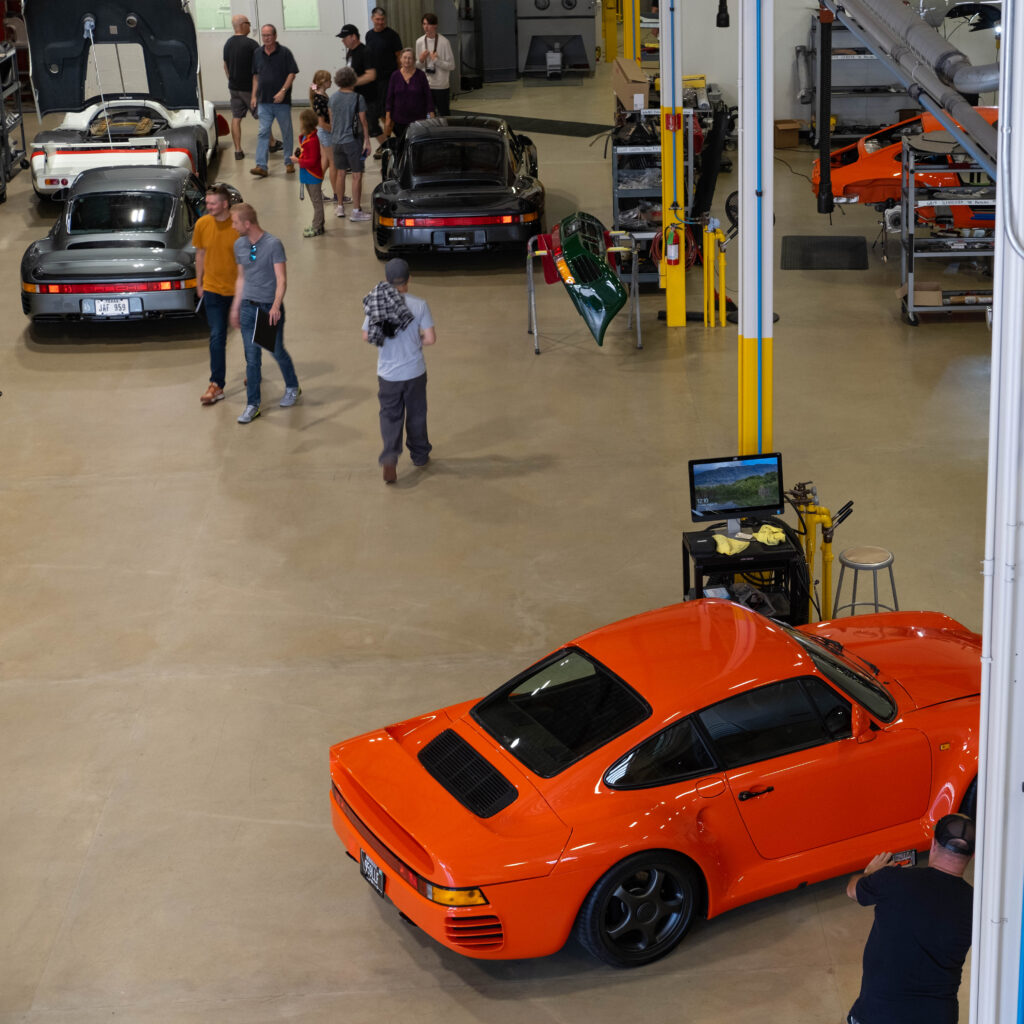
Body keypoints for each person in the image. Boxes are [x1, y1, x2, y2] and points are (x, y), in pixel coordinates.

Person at [846, 813, 975, 1024]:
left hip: (877, 1015)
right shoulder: (976, 906)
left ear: (933, 844)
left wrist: (871, 874)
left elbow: (852, 890)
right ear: (972, 855)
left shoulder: (893, 880)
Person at [362, 258, 436, 483]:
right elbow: (431, 339)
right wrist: (416, 339)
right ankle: (420, 455)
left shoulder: (377, 302)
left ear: (387, 280)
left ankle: (390, 457)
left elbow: (366, 335)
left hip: (388, 375)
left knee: (390, 415)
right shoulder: (419, 304)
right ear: (409, 279)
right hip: (414, 372)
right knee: (416, 414)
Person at [228, 204, 301, 424]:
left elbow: (281, 279)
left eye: (235, 222)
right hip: (248, 309)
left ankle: (292, 386)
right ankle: (253, 405)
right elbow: (241, 278)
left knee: (276, 351)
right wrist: (235, 307)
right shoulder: (239, 245)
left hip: (268, 309)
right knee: (252, 360)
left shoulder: (273, 244)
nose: (233, 226)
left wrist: (276, 305)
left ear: (247, 223)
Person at [193, 184, 239, 405]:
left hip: (240, 291)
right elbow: (200, 254)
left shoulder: (239, 224)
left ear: (224, 204)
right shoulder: (202, 224)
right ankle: (216, 384)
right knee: (217, 336)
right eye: (207, 203)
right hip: (213, 290)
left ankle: (254, 371)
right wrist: (199, 282)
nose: (208, 207)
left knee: (250, 335)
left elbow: (253, 251)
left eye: (212, 203)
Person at [250, 24, 299, 178]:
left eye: (269, 35)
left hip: (281, 102)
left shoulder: (285, 53)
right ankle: (261, 166)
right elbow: (256, 76)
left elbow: (292, 73)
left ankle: (288, 161)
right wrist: (253, 96)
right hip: (264, 101)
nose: (266, 38)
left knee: (286, 132)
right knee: (263, 132)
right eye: (264, 36)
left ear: (275, 36)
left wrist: (283, 91)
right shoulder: (257, 53)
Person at [328, 67, 371, 222]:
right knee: (356, 175)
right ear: (353, 80)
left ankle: (340, 207)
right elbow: (363, 122)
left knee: (340, 173)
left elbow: (332, 121)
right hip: (352, 141)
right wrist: (367, 141)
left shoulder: (332, 98)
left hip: (336, 142)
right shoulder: (358, 98)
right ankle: (356, 210)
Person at [363, 7, 403, 157]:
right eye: (377, 19)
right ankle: (389, 140)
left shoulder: (392, 35)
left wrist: (399, 77)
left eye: (382, 20)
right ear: (372, 19)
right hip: (374, 81)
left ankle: (386, 142)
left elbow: (399, 56)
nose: (380, 22)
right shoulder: (369, 35)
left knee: (388, 111)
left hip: (390, 79)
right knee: (378, 112)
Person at [384, 48, 434, 144]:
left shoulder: (421, 75)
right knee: (402, 146)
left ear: (414, 60)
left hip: (418, 120)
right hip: (399, 119)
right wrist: (388, 118)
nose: (407, 60)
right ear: (400, 59)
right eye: (405, 58)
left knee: (416, 145)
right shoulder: (395, 75)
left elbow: (428, 96)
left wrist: (431, 114)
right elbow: (389, 98)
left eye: (410, 58)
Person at [415, 13, 455, 117]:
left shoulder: (444, 42)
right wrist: (421, 60)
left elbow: (452, 66)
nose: (426, 27)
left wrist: (437, 60)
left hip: (441, 85)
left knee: (444, 114)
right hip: (426, 84)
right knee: (426, 114)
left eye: (428, 24)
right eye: (424, 24)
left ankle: (445, 133)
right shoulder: (419, 42)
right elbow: (417, 66)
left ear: (435, 25)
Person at [295, 109, 325, 237]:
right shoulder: (307, 138)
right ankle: (320, 224)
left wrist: (298, 160)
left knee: (317, 202)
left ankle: (317, 226)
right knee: (315, 201)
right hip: (307, 174)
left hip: (313, 174)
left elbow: (312, 161)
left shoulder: (313, 140)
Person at [309, 69, 336, 199]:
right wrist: (332, 129)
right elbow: (321, 122)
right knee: (333, 163)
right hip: (325, 132)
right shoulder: (319, 99)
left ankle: (317, 191)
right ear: (323, 82)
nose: (331, 82)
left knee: (324, 162)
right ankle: (337, 193)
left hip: (324, 132)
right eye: (329, 80)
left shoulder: (322, 94)